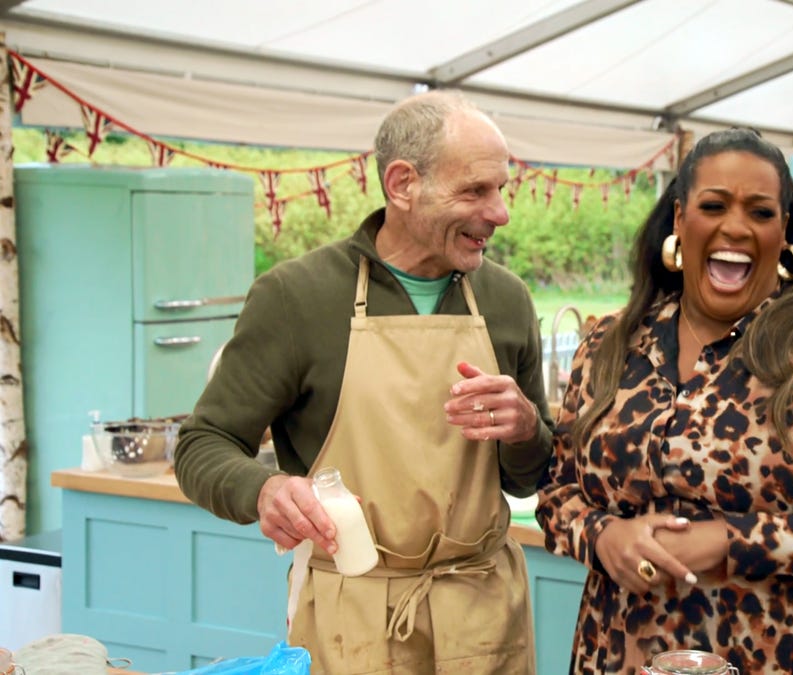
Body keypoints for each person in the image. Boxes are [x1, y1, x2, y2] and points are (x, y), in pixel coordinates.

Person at [174, 90, 554, 673]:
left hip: (482, 616)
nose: (499, 212)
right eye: (475, 190)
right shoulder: (297, 297)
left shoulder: (506, 300)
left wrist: (527, 430)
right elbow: (203, 444)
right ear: (402, 184)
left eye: (501, 189)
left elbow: (528, 480)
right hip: (351, 623)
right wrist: (263, 489)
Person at [536, 128, 793, 674]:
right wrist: (603, 536)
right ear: (679, 220)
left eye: (760, 213)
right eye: (713, 205)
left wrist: (728, 540)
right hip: (628, 650)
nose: (736, 227)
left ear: (783, 229)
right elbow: (557, 494)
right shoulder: (610, 345)